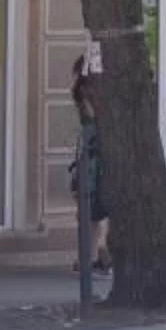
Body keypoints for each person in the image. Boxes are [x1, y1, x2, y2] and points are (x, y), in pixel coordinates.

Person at [70, 59, 110, 275]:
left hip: (90, 155)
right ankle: (95, 254)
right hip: (95, 154)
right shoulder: (90, 93)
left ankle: (92, 256)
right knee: (96, 209)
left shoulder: (83, 93)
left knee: (90, 210)